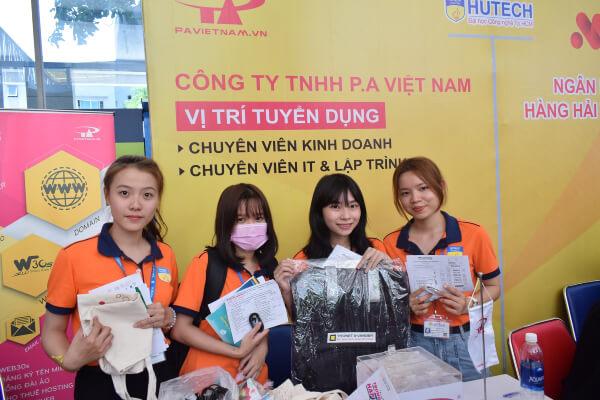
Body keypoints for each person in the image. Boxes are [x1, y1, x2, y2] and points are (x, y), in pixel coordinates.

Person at [41, 155, 179, 399]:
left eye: (147, 195)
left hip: (159, 372)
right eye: (124, 193)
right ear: (107, 195)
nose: (136, 205)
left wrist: (168, 317)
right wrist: (68, 361)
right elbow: (52, 332)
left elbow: (172, 317)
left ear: (157, 200)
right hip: (101, 380)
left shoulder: (165, 254)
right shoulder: (73, 257)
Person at [383, 156, 501, 381]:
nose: (415, 199)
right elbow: (388, 301)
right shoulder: (391, 243)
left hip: (465, 340)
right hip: (415, 342)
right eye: (405, 193)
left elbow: (494, 287)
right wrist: (405, 306)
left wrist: (469, 303)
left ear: (441, 186)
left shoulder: (474, 234)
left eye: (423, 188)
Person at [171, 183, 275, 383]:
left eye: (258, 218)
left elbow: (266, 322)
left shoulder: (269, 267)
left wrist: (262, 347)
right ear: (226, 224)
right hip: (208, 383)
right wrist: (237, 352)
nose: (251, 225)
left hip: (254, 382)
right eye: (240, 219)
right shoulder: (206, 263)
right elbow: (180, 330)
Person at [274, 173, 389, 312]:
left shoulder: (375, 248)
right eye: (335, 206)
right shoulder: (303, 260)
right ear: (319, 212)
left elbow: (391, 304)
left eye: (353, 206)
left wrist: (388, 265)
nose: (346, 216)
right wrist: (286, 291)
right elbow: (302, 320)